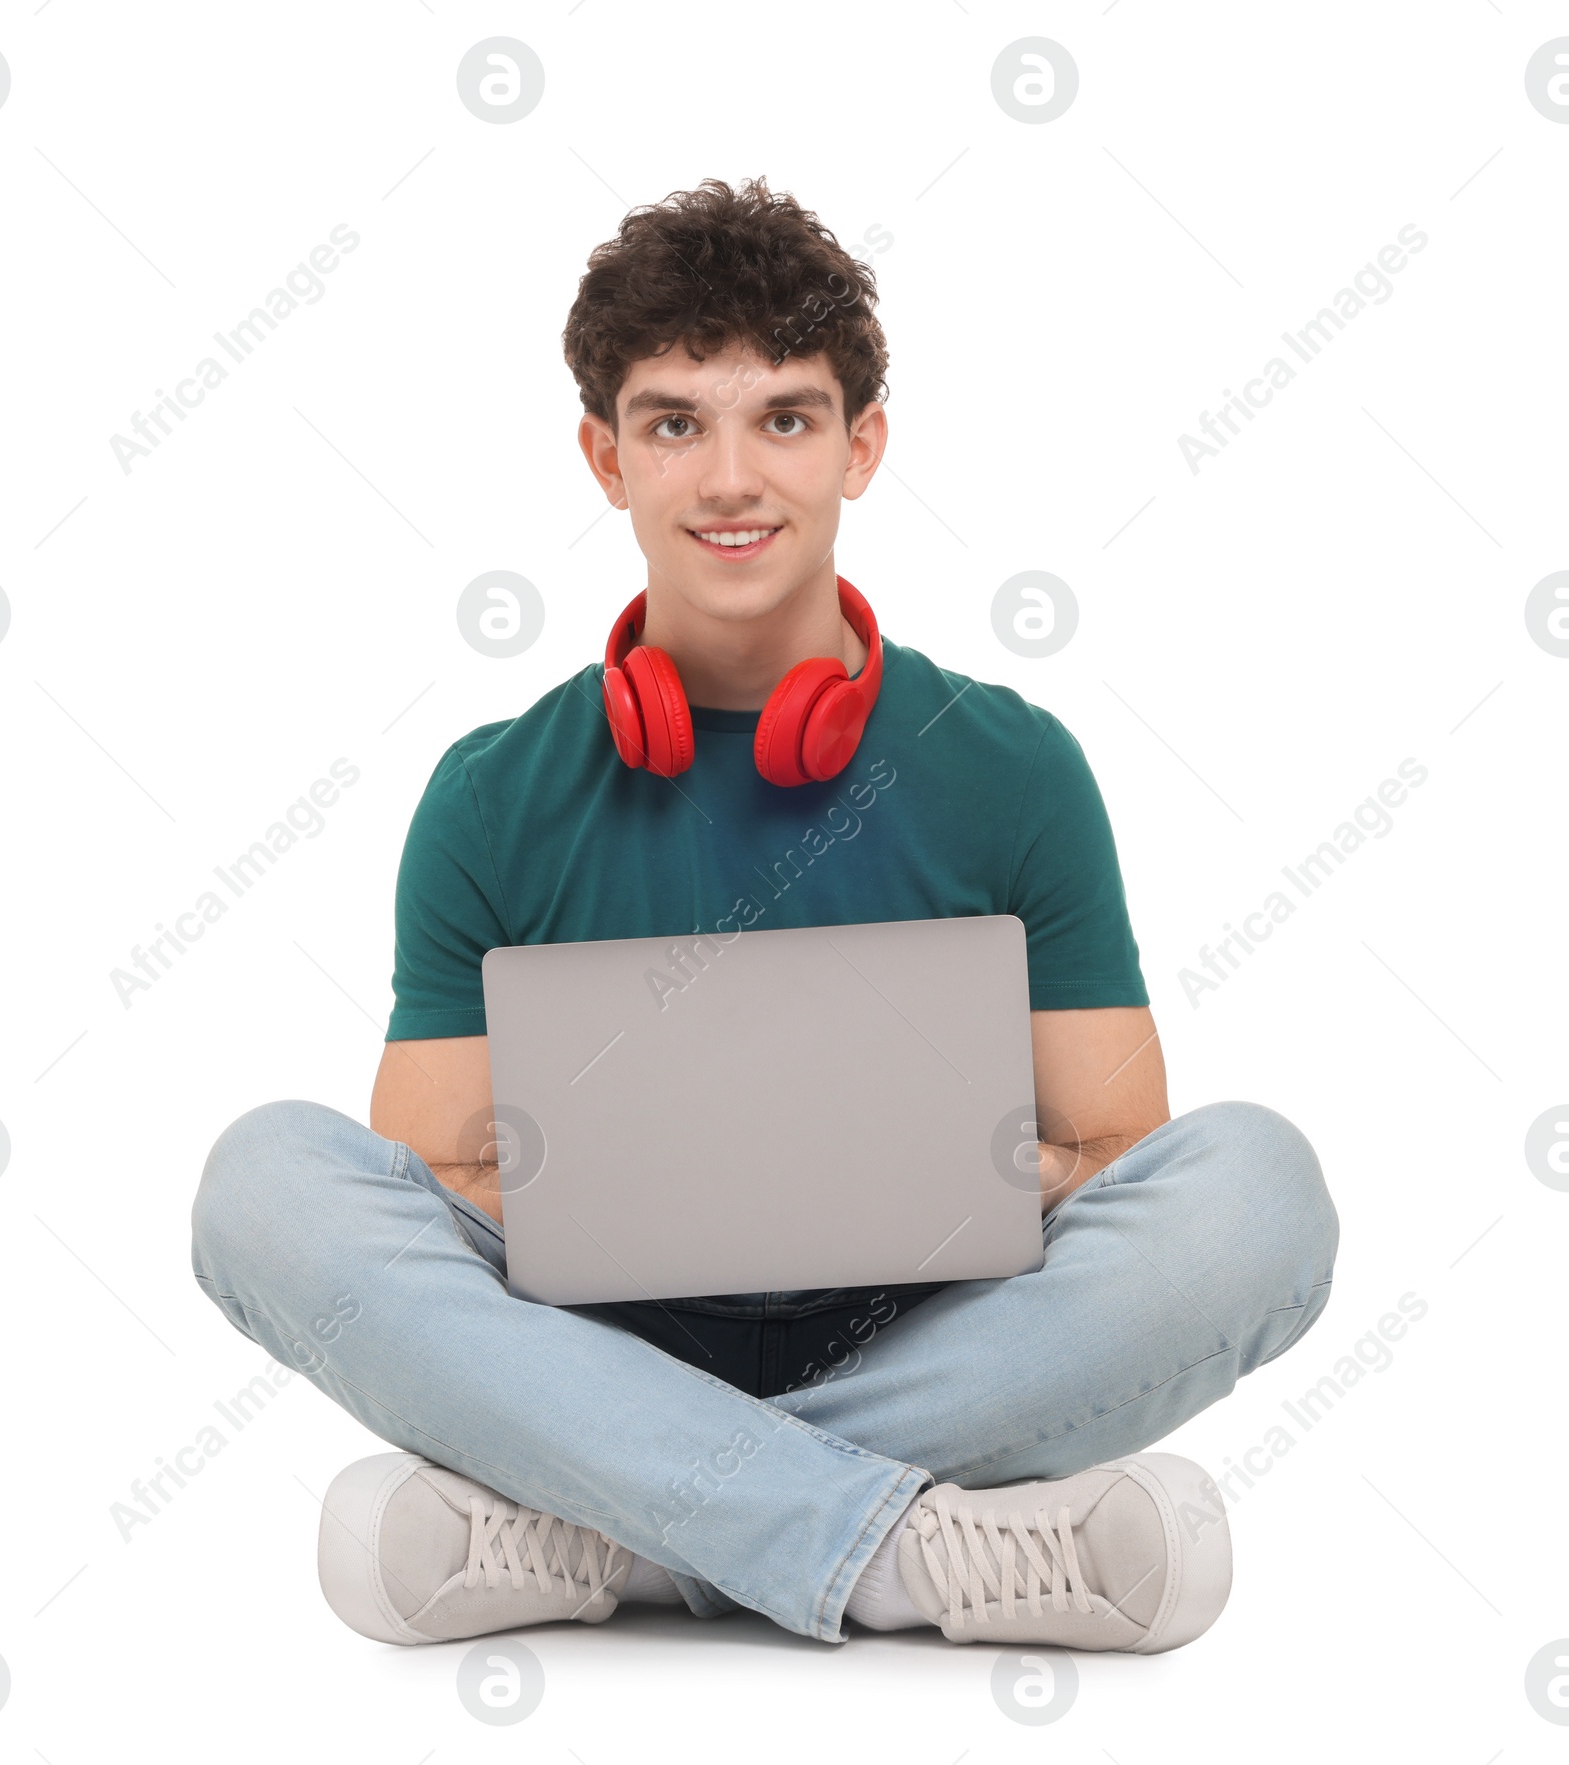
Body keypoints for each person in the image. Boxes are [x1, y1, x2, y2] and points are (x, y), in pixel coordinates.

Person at [190, 176, 1339, 1651]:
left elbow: (1120, 1149)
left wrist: (910, 1186)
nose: (733, 478)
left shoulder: (1015, 767)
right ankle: (901, 1554)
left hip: (937, 1331)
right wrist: (643, 1202)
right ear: (606, 458)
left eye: (785, 418)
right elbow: (429, 1180)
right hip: (586, 1337)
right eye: (676, 422)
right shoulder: (488, 795)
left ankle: (619, 1528)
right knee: (265, 1184)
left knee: (1257, 1191)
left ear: (861, 446)